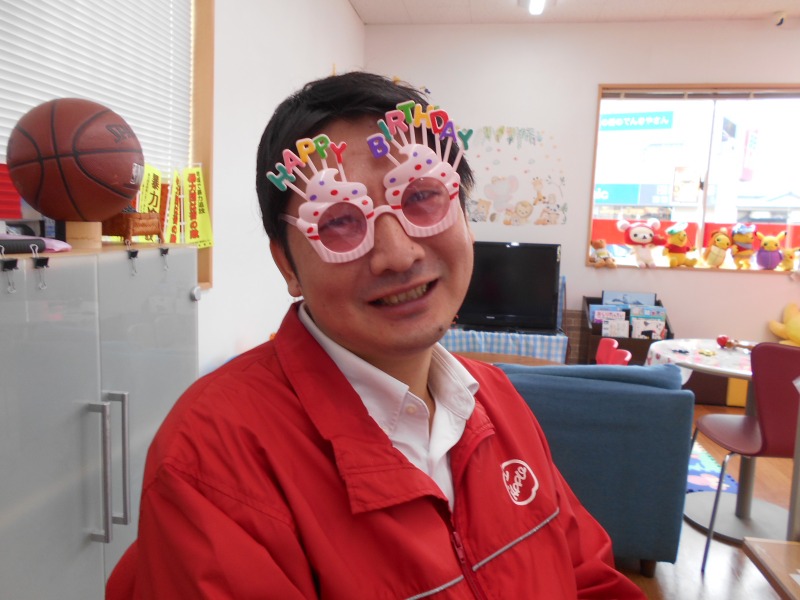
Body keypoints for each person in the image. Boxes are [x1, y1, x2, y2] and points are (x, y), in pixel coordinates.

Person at [107, 71, 645, 599]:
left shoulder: (498, 401)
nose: (399, 254)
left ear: (464, 213)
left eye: (422, 195)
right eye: (339, 221)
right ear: (287, 264)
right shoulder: (214, 459)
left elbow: (587, 578)